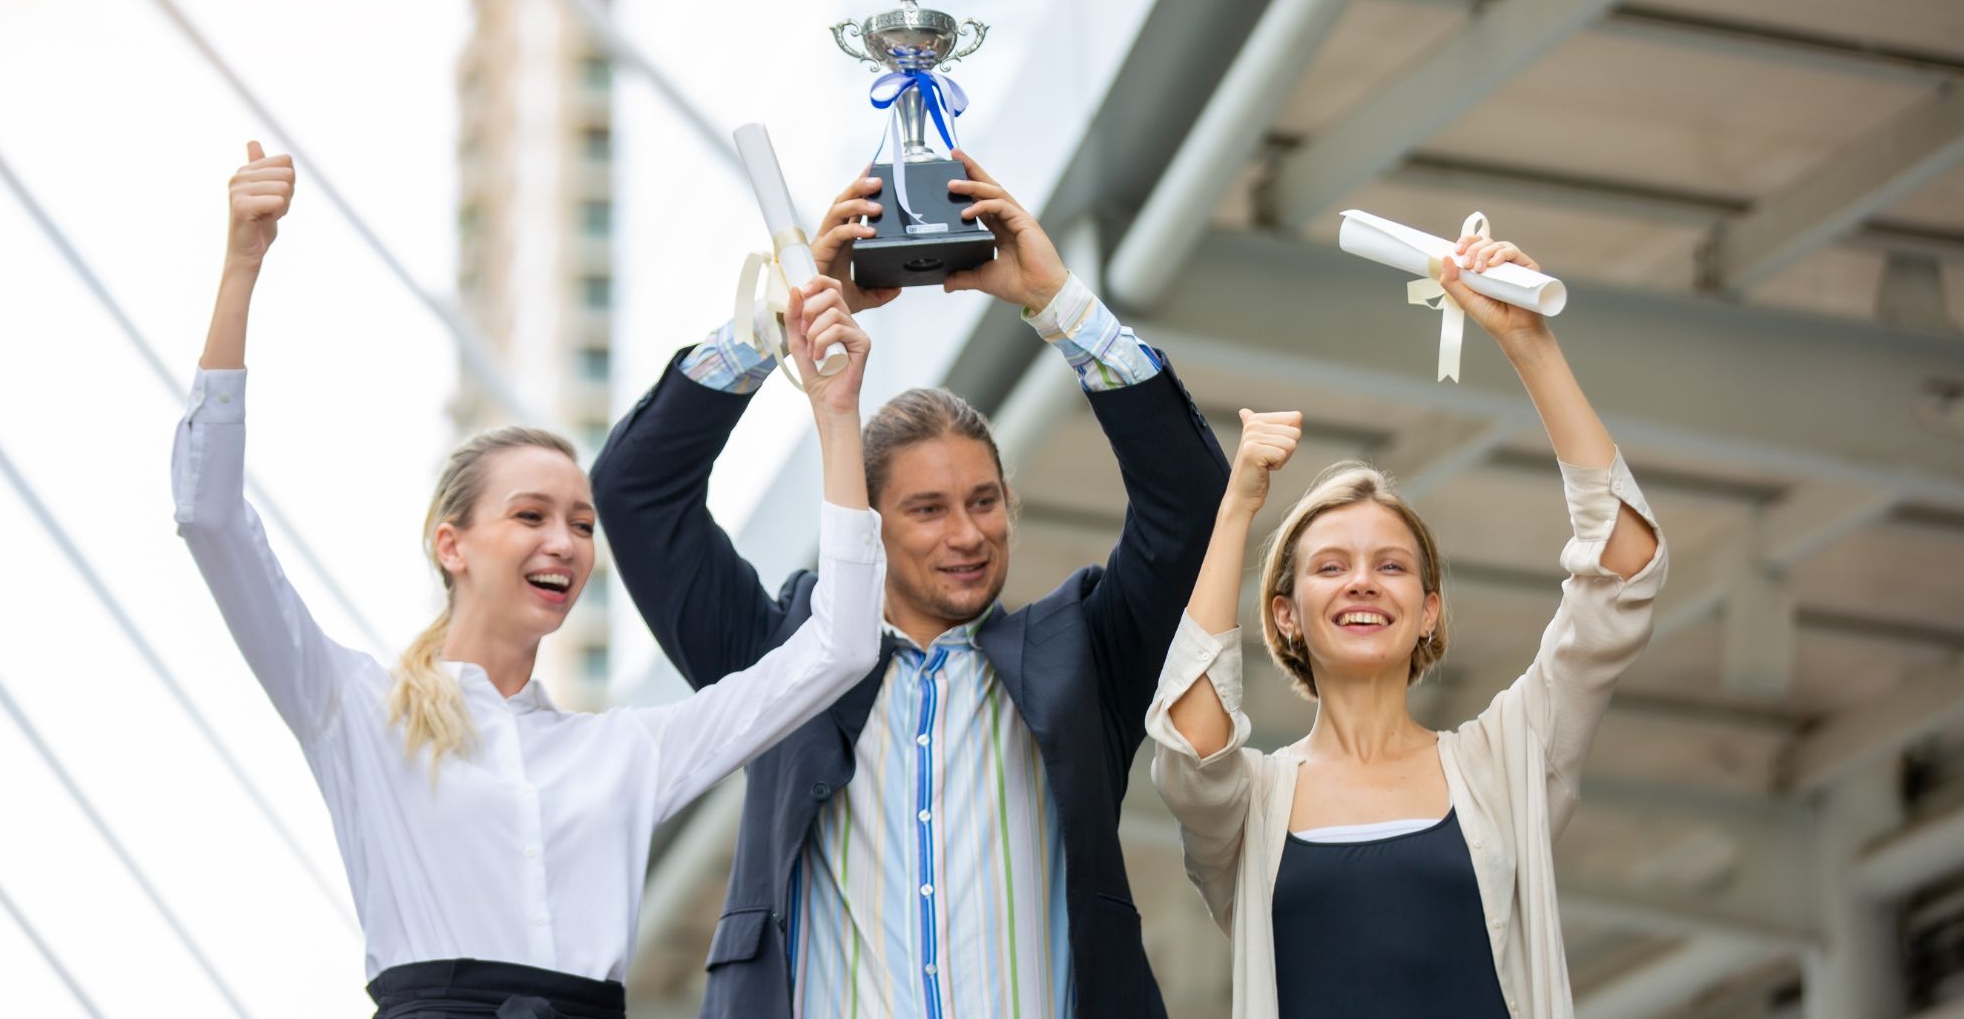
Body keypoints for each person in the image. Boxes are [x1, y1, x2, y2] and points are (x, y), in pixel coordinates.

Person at [173, 141, 885, 1018]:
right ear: (452, 545)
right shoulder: (351, 707)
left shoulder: (624, 755)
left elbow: (842, 646)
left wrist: (838, 414)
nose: (566, 543)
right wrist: (242, 264)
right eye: (531, 516)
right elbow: (209, 515)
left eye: (583, 525)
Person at [590, 150, 1230, 1018]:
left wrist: (1058, 303)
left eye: (983, 501)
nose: (967, 534)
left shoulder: (1084, 654)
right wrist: (777, 324)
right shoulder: (777, 662)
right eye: (928, 510)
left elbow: (1188, 499)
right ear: (870, 525)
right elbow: (637, 491)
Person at [1146, 234, 1668, 1019]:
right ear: (1284, 615)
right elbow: (1191, 746)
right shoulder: (1253, 801)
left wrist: (1529, 342)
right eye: (1330, 566)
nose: (1362, 579)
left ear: (1428, 612)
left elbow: (1623, 574)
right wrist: (1238, 507)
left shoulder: (1505, 760)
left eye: (1391, 566)